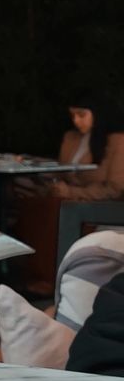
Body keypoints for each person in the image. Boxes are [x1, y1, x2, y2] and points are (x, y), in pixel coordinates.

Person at [17, 95, 124, 293]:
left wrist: (72, 191)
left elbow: (115, 188)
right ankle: (31, 272)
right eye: (73, 115)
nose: (76, 121)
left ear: (97, 114)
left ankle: (49, 277)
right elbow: (62, 170)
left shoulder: (117, 142)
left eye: (81, 115)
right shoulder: (71, 137)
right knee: (29, 199)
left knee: (52, 207)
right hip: (67, 195)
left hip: (100, 202)